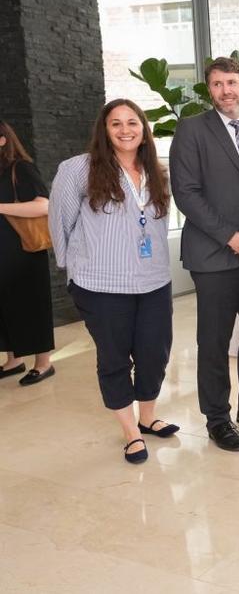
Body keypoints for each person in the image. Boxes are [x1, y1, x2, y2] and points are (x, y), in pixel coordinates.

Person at [49, 99, 178, 463]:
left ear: (143, 129)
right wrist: (71, 265)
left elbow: (156, 223)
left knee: (155, 353)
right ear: (104, 130)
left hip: (153, 281)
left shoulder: (156, 171)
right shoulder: (78, 169)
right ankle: (131, 431)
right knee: (115, 358)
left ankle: (149, 417)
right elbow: (60, 220)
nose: (125, 130)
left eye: (132, 122)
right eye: (116, 124)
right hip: (101, 284)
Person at [171, 56, 239, 452]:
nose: (225, 91)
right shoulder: (192, 131)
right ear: (209, 89)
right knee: (213, 340)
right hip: (215, 254)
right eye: (217, 84)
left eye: (232, 82)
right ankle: (217, 418)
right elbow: (186, 193)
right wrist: (232, 236)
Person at [0, 120, 55, 386]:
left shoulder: (20, 168)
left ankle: (43, 364)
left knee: (31, 305)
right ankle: (14, 360)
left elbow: (42, 206)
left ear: (3, 140)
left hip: (22, 252)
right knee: (4, 307)